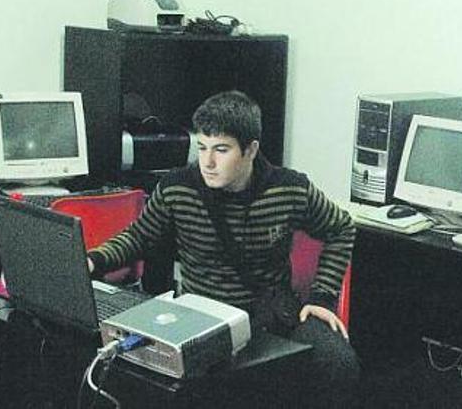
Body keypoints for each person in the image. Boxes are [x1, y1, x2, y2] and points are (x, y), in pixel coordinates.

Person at [87, 90, 359, 406]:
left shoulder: (289, 188)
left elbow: (341, 227)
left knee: (339, 362)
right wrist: (94, 260)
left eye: (221, 149)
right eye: (201, 148)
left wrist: (322, 297)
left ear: (250, 150)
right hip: (202, 317)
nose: (208, 162)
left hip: (270, 316)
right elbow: (138, 238)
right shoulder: (178, 188)